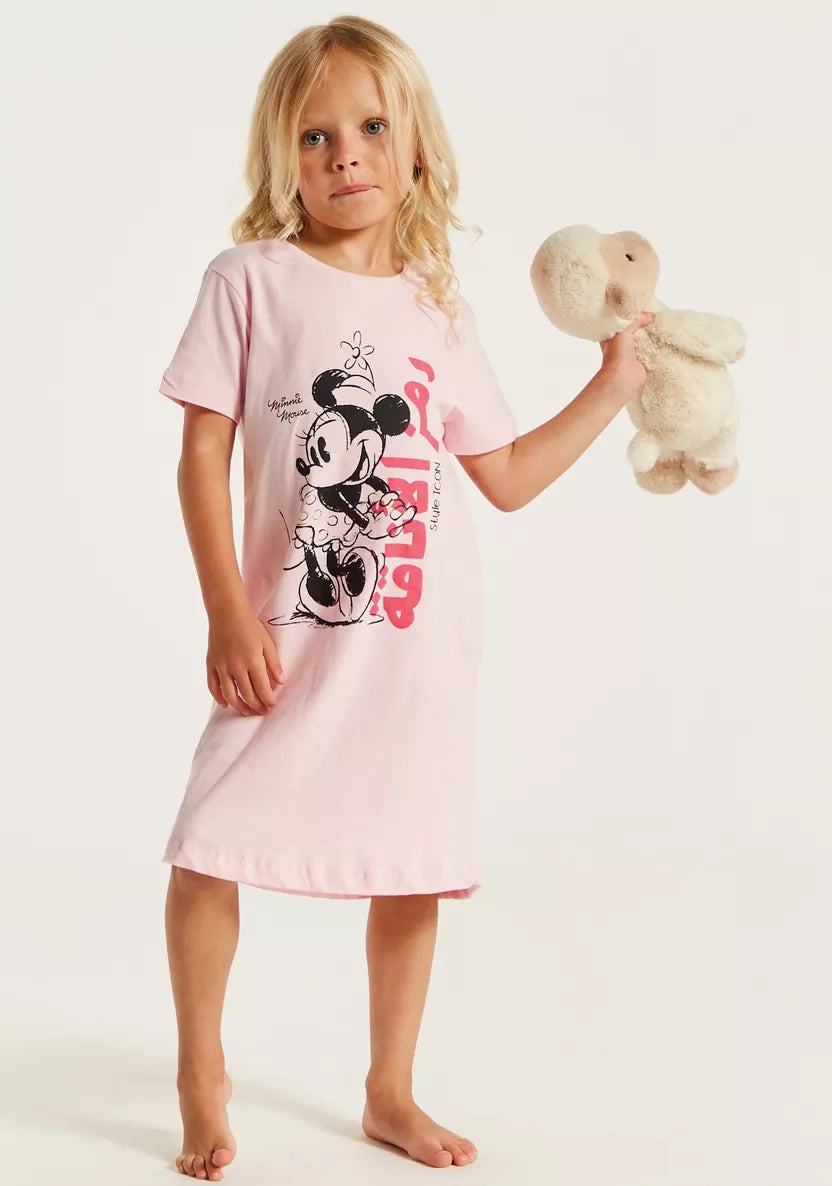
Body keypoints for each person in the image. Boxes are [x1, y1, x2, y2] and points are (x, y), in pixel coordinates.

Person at [159, 15, 654, 1182]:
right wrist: (226, 608)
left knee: (411, 863)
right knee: (207, 844)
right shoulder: (248, 281)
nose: (346, 154)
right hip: (283, 640)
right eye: (315, 135)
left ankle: (389, 1087)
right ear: (283, 156)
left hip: (418, 654)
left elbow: (506, 475)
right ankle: (199, 1071)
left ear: (415, 146)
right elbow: (201, 454)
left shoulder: (438, 308)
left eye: (372, 127)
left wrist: (612, 385)